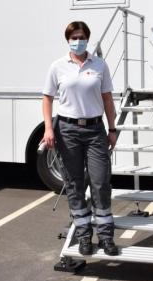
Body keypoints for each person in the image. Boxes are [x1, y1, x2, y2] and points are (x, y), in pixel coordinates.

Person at [41, 21, 119, 256]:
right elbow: (47, 99)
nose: (78, 40)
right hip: (67, 131)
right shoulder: (57, 67)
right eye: (73, 37)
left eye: (81, 36)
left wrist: (112, 129)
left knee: (100, 182)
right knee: (74, 185)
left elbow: (107, 99)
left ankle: (106, 237)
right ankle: (84, 235)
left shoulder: (99, 65)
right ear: (68, 40)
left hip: (95, 130)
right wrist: (48, 128)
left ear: (88, 38)